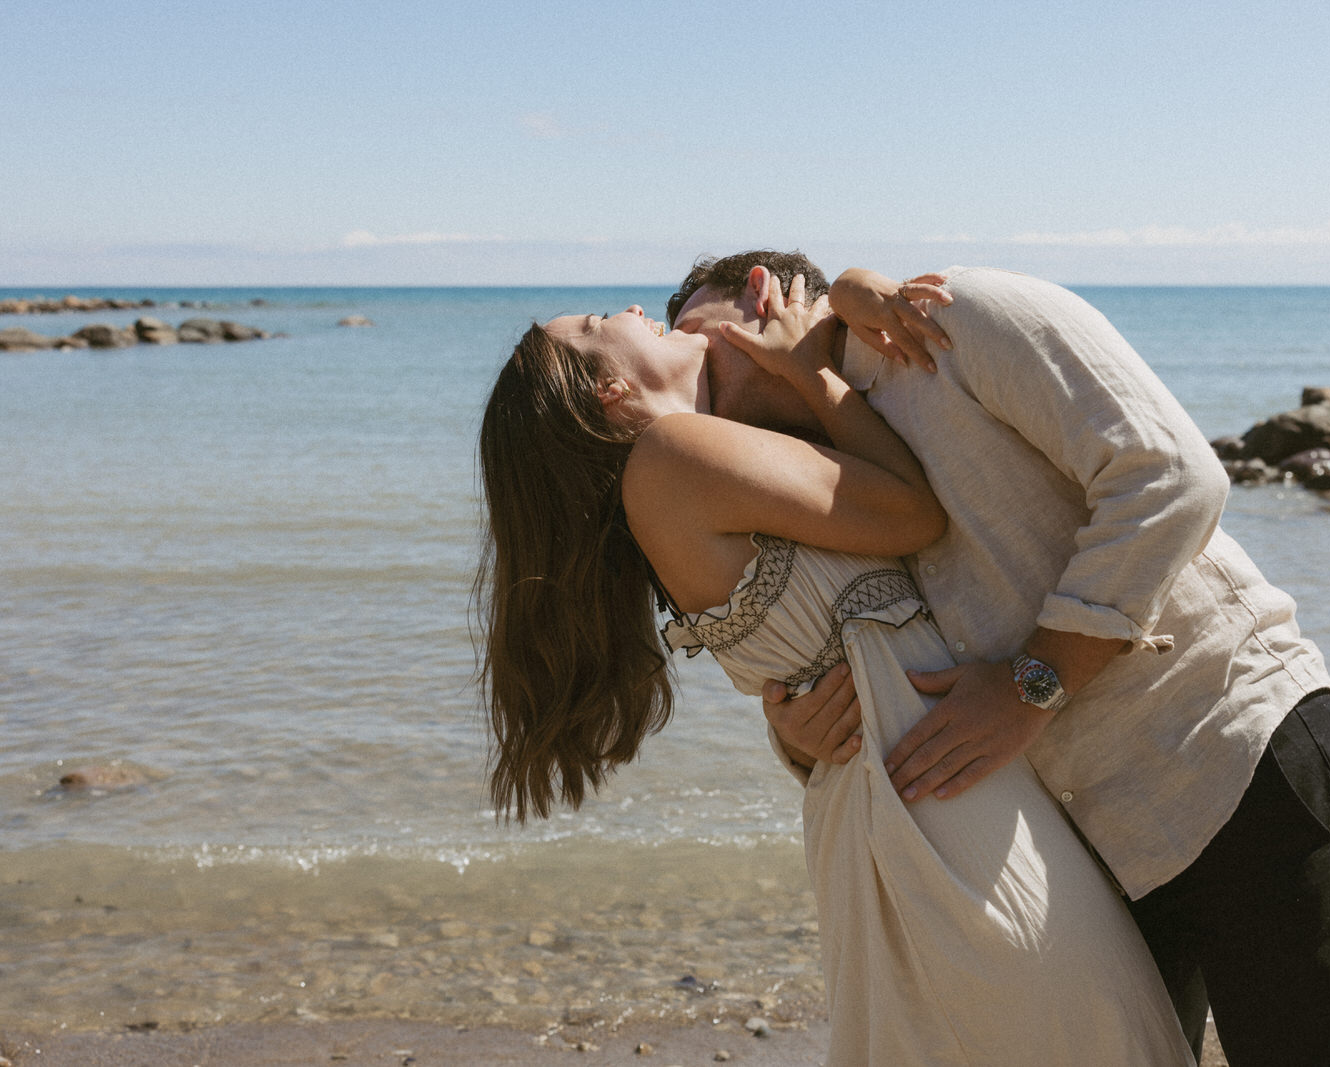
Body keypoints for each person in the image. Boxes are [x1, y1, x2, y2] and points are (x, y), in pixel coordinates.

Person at [668, 252, 1330, 1066]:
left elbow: (1172, 476)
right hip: (1091, 846)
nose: (690, 386)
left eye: (694, 343)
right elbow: (868, 654)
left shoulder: (959, 315)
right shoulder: (811, 479)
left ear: (759, 292)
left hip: (1232, 749)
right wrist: (802, 737)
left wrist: (1032, 684)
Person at [474, 280, 1196, 1065]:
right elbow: (912, 513)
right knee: (1078, 1024)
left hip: (904, 784)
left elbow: (816, 638)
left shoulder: (672, 478)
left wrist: (849, 292)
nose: (630, 310)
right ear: (610, 390)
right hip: (936, 802)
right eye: (596, 323)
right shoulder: (673, 454)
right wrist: (815, 375)